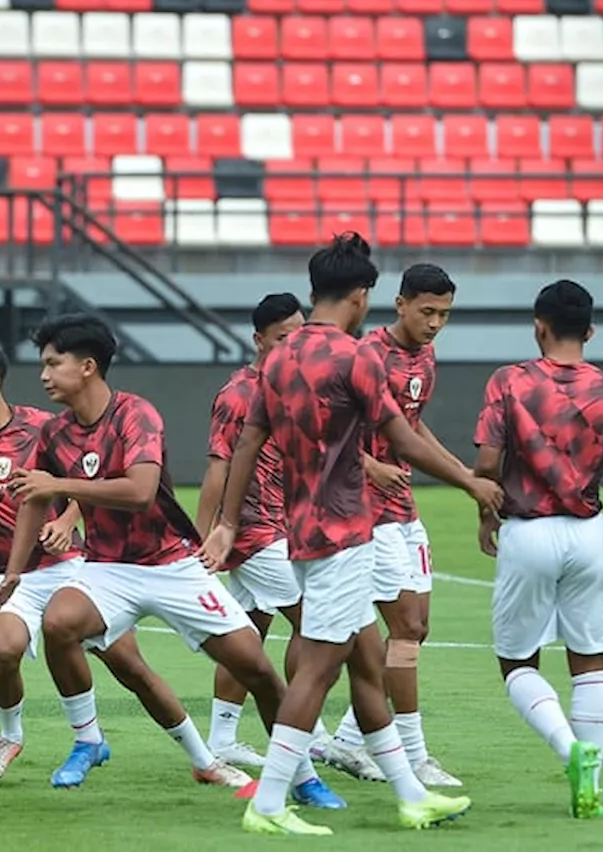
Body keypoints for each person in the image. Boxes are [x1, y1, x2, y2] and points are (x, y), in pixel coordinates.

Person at [200, 233, 501, 836]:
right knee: (319, 669)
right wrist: (471, 483)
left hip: (301, 530)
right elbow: (406, 439)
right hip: (343, 534)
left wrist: (229, 522)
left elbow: (247, 445)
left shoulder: (279, 357)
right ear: (362, 296)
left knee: (367, 663)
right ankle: (271, 803)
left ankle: (411, 793)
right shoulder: (356, 355)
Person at [0, 339, 250, 789]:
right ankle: (11, 735)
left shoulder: (43, 426)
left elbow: (76, 485)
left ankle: (203, 758)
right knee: (5, 646)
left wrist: (69, 520)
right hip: (4, 572)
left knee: (131, 667)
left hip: (72, 567)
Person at [0, 313, 292, 795]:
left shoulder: (137, 414)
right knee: (59, 622)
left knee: (255, 667)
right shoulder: (54, 433)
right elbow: (35, 497)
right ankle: (87, 738)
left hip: (172, 565)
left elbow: (141, 491)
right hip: (109, 570)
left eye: (53, 363)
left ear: (88, 366)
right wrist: (13, 573)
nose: (43, 375)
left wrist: (60, 484)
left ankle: (300, 775)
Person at [472, 278, 603, 819]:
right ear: (591, 331)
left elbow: (486, 467)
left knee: (517, 663)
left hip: (528, 530)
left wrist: (485, 516)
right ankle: (593, 785)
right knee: (590, 664)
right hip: (588, 534)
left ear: (539, 325)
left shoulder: (508, 382)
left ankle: (567, 749)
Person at [316, 264, 466, 788]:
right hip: (363, 513)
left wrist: (462, 475)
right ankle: (413, 755)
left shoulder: (425, 357)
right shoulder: (367, 355)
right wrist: (368, 463)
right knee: (403, 630)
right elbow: (329, 428)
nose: (435, 323)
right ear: (399, 304)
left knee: (417, 628)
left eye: (444, 314)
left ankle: (348, 740)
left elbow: (412, 427)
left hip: (402, 512)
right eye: (427, 311)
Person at [194, 294, 345, 810]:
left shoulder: (292, 385)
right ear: (258, 340)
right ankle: (312, 731)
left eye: (298, 334)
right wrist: (204, 532)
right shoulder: (239, 393)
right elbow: (217, 466)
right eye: (282, 337)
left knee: (248, 632)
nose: (293, 344)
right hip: (257, 533)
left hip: (283, 527)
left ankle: (222, 740)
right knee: (317, 624)